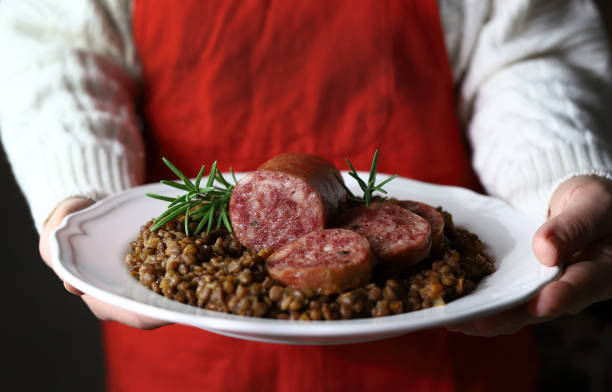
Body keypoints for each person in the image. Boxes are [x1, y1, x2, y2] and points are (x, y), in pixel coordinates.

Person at [1, 0, 612, 390]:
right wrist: (85, 206)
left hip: (447, 344)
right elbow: (53, 42)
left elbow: (529, 47)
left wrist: (554, 180)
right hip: (187, 351)